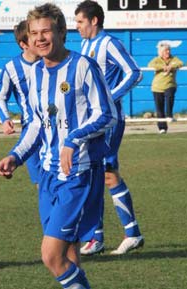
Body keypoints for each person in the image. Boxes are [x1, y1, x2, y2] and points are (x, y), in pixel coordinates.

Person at [0, 3, 117, 289]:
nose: (40, 38)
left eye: (46, 32)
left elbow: (106, 113)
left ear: (61, 33)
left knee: (50, 255)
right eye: (34, 34)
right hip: (48, 175)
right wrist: (16, 156)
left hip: (78, 172)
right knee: (66, 257)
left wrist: (73, 138)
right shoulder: (34, 75)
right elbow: (34, 124)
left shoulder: (83, 66)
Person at [75, 0, 144, 256]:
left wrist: (108, 98)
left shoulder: (109, 43)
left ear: (94, 20)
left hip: (110, 121)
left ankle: (131, 233)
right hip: (94, 120)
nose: (77, 27)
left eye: (80, 21)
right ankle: (98, 237)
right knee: (95, 174)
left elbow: (134, 73)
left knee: (106, 172)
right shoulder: (85, 45)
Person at [0, 20, 41, 185]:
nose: (39, 39)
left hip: (55, 129)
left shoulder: (51, 62)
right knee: (40, 183)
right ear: (23, 44)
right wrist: (5, 119)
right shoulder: (11, 68)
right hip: (31, 128)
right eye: (33, 36)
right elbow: (0, 96)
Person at [148, 42, 183, 134]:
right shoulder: (156, 60)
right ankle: (162, 128)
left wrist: (171, 66)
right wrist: (162, 67)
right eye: (165, 50)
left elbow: (180, 63)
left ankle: (169, 115)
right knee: (159, 108)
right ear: (161, 52)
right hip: (157, 87)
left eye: (168, 50)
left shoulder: (174, 59)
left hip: (170, 85)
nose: (167, 52)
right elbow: (150, 65)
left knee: (170, 96)